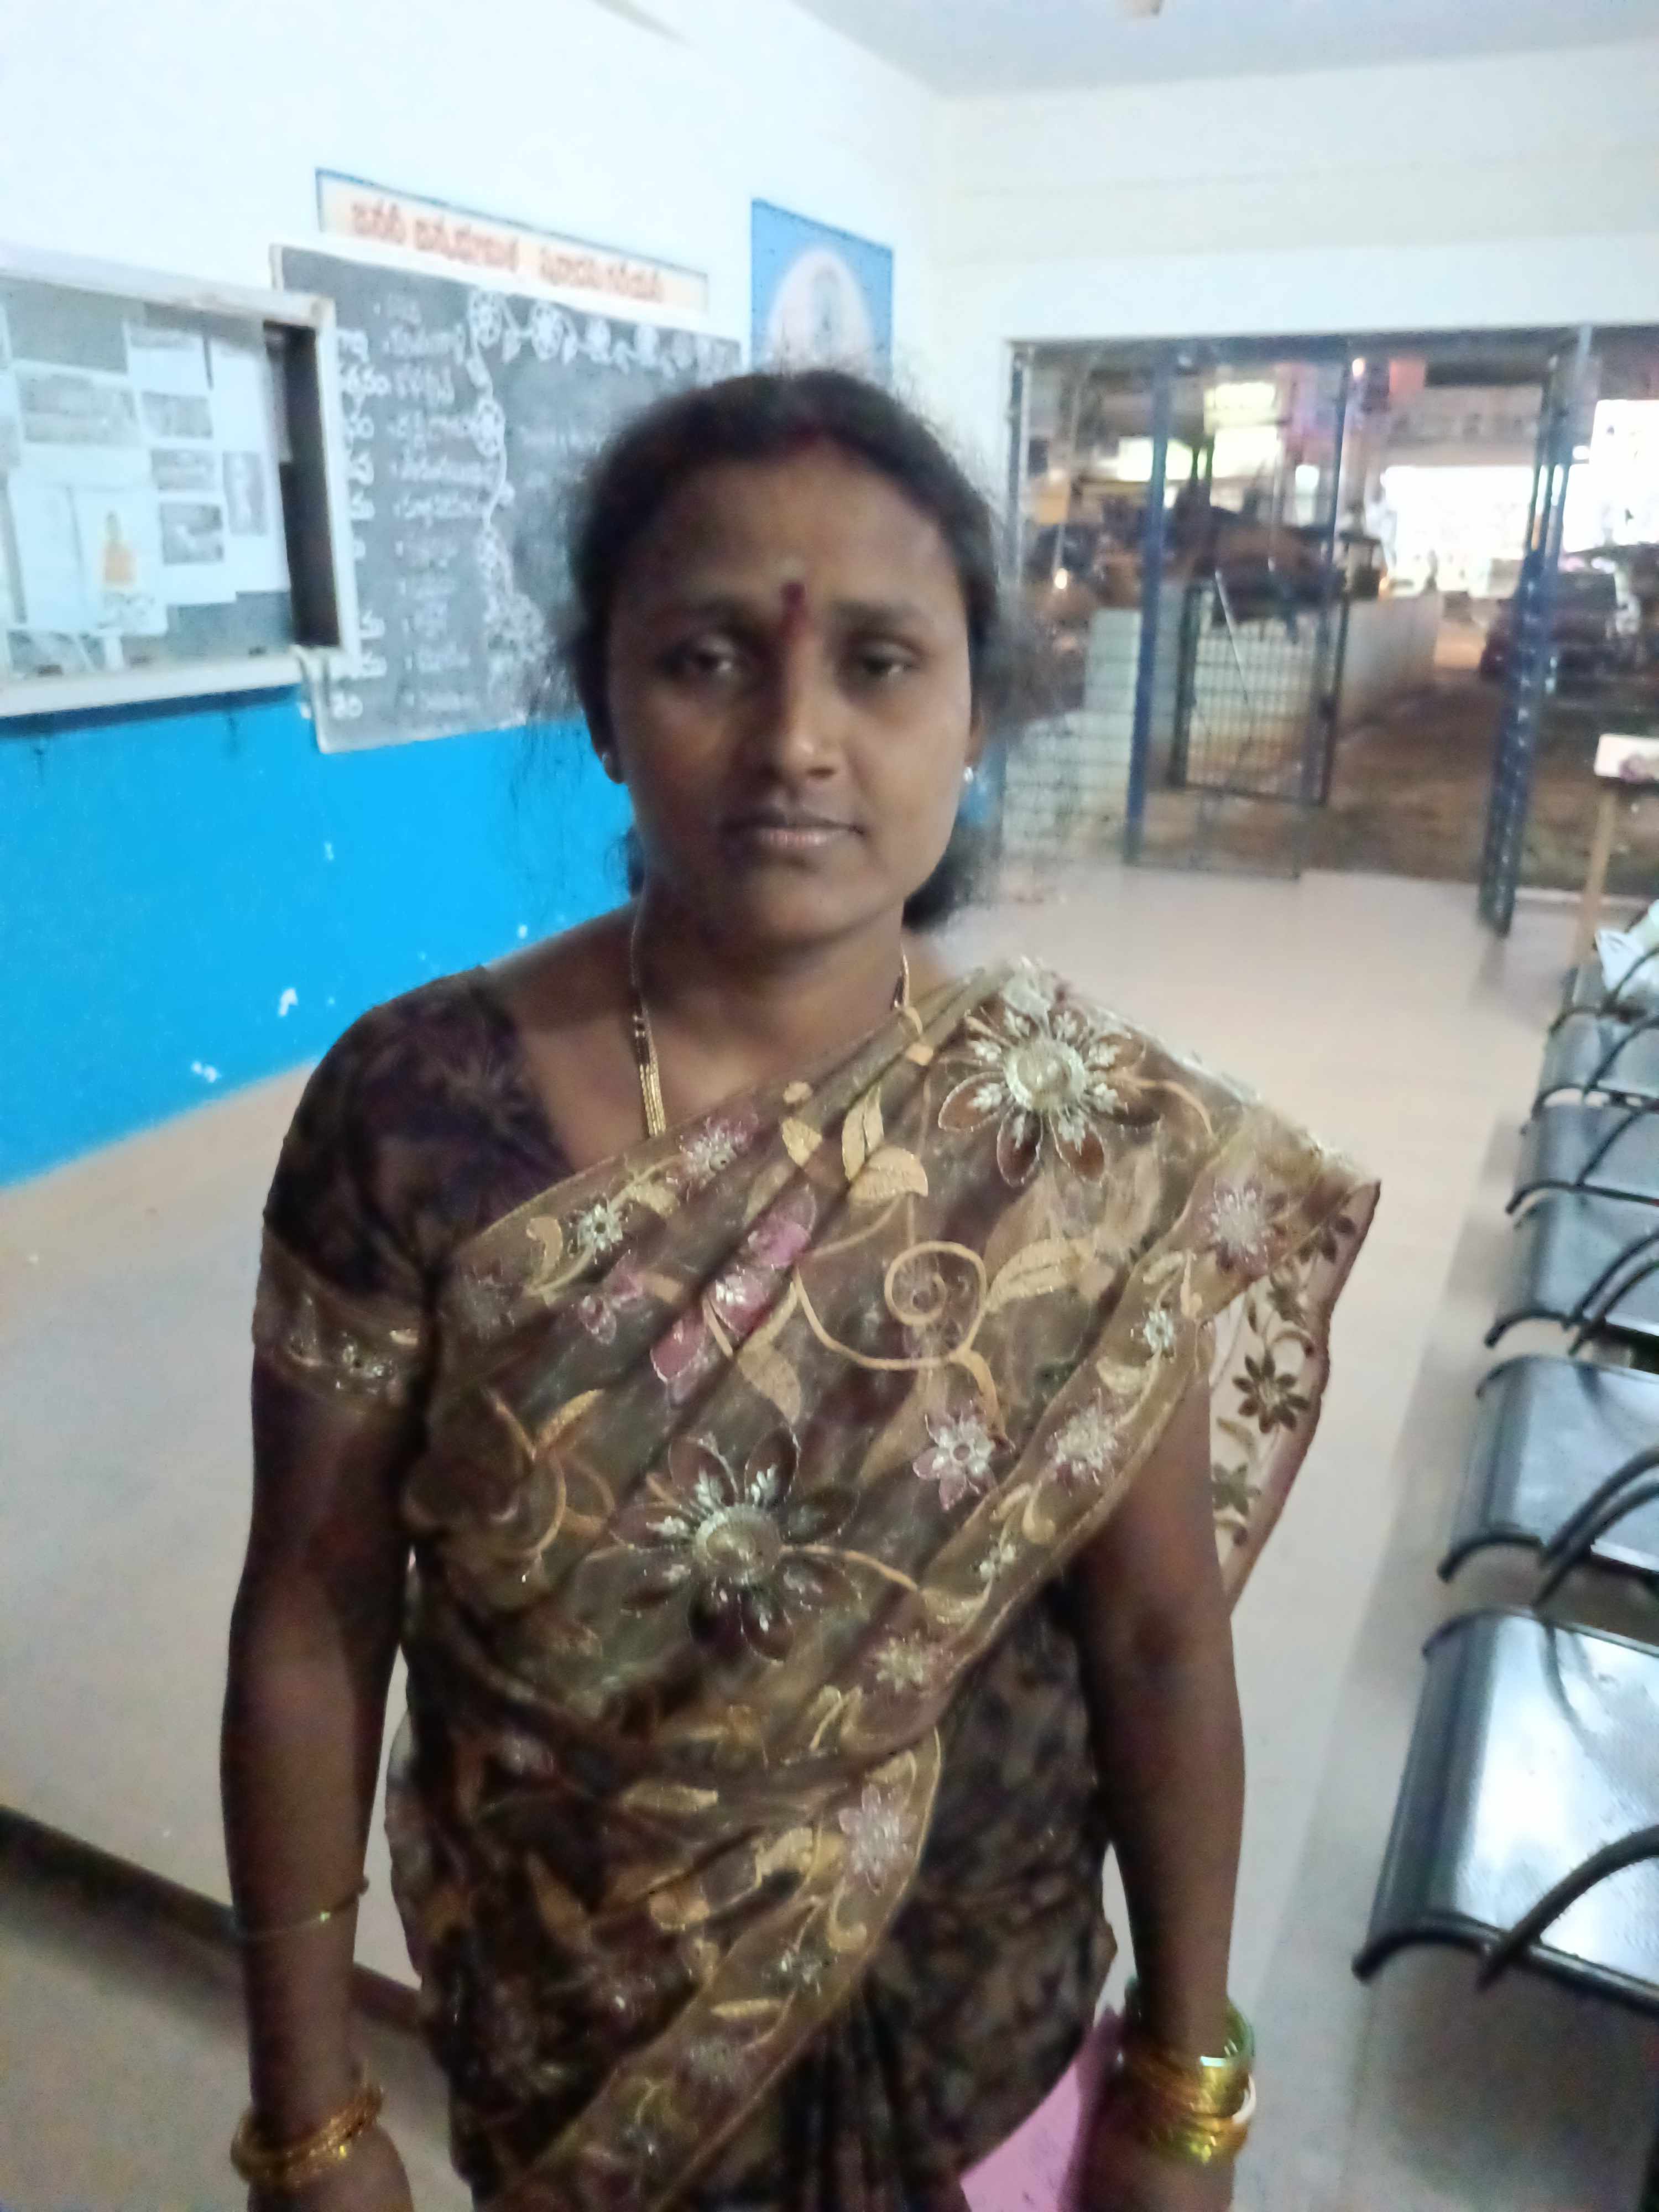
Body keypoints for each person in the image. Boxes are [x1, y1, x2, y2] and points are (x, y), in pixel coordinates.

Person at [222, 369, 1375, 2212]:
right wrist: (310, 2116)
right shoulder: (415, 1115)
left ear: (977, 712)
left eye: (880, 663)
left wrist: (1185, 2084)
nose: (797, 741)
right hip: (581, 2054)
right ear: (604, 703)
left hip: (984, 2059)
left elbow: (1160, 1641)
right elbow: (311, 1607)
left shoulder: (1080, 1139)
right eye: (707, 661)